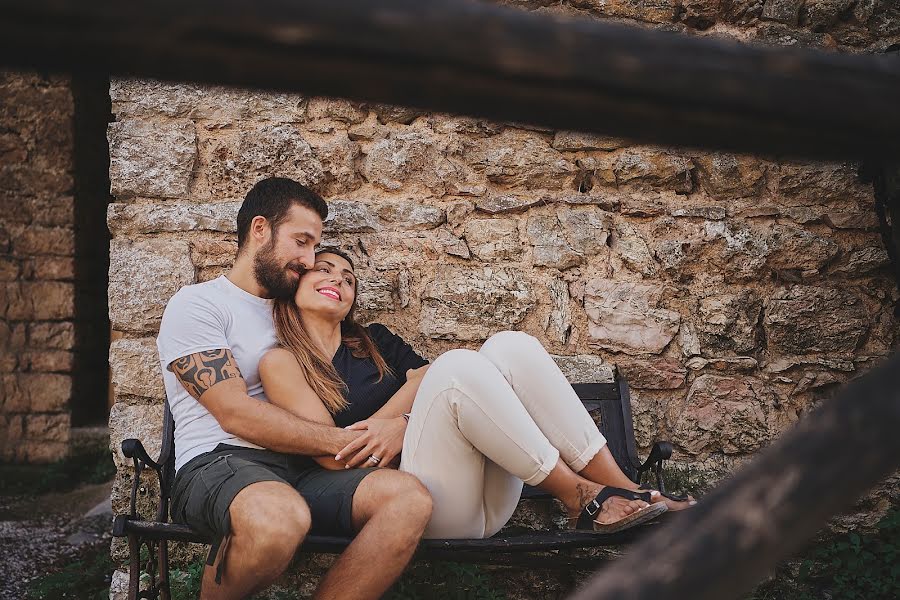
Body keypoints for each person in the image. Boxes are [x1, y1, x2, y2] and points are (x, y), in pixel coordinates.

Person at [259, 248, 696, 541]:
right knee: (457, 368)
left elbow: (424, 378)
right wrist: (399, 417)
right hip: (421, 501)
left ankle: (627, 490)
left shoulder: (373, 339)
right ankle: (578, 496)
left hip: (487, 495)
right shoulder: (283, 362)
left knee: (509, 345)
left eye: (349, 278)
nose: (339, 279)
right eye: (325, 269)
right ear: (294, 284)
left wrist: (398, 426)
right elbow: (332, 454)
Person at [156, 177, 432, 600]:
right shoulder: (199, 305)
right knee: (280, 518)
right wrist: (348, 442)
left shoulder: (298, 307)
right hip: (219, 462)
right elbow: (235, 413)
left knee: (408, 500)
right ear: (260, 229)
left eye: (314, 247)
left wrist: (398, 422)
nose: (308, 259)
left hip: (304, 471)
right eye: (301, 242)